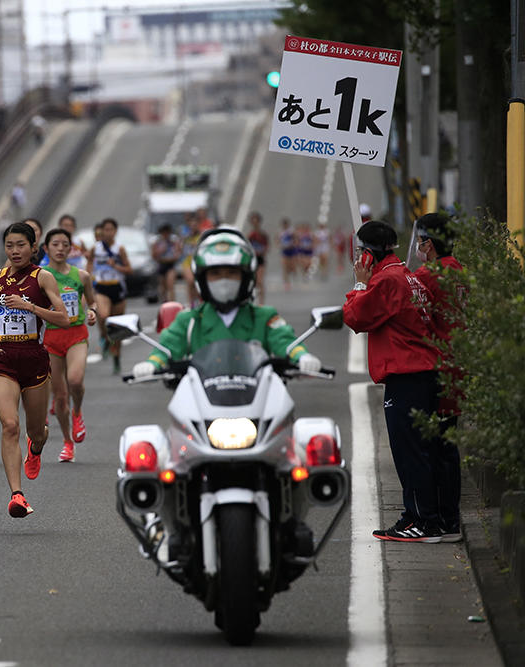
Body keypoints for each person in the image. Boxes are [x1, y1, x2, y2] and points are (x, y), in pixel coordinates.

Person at [342, 221, 456, 543]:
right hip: (427, 371)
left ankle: (421, 520)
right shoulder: (405, 275)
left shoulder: (387, 281)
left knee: (410, 453)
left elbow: (355, 317)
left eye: (361, 252)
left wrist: (360, 284)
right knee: (430, 450)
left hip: (407, 375)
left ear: (367, 254)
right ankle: (438, 520)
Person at [0, 222, 69, 518]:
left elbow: (63, 318)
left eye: (21, 245)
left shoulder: (43, 277)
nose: (15, 251)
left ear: (33, 248)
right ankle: (17, 495)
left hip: (34, 359)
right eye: (9, 245)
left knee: (35, 431)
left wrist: (30, 307)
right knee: (10, 425)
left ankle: (35, 448)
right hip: (3, 359)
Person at [132, 228, 322, 377]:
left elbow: (285, 341)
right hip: (203, 403)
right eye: (215, 274)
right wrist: (152, 363)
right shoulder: (189, 321)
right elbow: (168, 346)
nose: (224, 280)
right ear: (203, 280)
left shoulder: (264, 317)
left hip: (257, 401)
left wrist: (302, 356)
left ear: (246, 277)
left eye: (232, 273)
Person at [411, 212, 465, 541]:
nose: (417, 247)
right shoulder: (462, 272)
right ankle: (452, 519)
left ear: (428, 244)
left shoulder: (427, 276)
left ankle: (434, 519)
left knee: (430, 447)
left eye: (419, 241)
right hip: (460, 368)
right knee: (448, 446)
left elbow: (416, 321)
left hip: (436, 368)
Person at [41, 228, 99, 463]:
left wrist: (93, 312)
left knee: (75, 380)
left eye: (66, 244)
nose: (61, 248)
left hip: (75, 334)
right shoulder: (40, 276)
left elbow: (92, 302)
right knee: (60, 396)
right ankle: (67, 442)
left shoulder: (81, 276)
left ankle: (78, 413)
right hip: (51, 338)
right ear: (46, 249)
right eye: (56, 244)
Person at [89, 217, 131, 374]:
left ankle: (116, 358)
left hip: (117, 287)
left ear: (115, 231)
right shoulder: (96, 248)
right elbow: (89, 264)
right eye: (105, 230)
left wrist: (117, 266)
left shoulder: (120, 249)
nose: (108, 232)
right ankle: (104, 337)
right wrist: (89, 276)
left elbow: (129, 269)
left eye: (111, 229)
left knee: (117, 327)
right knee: (104, 315)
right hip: (102, 287)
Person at [151, 223, 183, 303]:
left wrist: (172, 257)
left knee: (170, 285)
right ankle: (164, 301)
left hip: (170, 265)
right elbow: (154, 255)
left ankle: (172, 302)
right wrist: (160, 251)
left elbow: (178, 253)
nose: (165, 234)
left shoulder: (173, 242)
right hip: (161, 265)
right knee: (163, 286)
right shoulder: (157, 242)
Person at [246, 212, 269, 303]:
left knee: (260, 281)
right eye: (253, 221)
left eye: (257, 221)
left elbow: (267, 246)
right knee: (253, 282)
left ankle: (261, 302)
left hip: (260, 260)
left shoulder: (263, 234)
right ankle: (252, 300)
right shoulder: (250, 235)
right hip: (252, 260)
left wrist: (262, 252)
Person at [278, 218, 297, 290]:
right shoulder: (280, 232)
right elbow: (277, 240)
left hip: (292, 251)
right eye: (283, 224)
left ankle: (293, 274)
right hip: (284, 251)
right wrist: (280, 245)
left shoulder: (291, 231)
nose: (284, 226)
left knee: (292, 267)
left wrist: (292, 244)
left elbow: (295, 239)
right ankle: (286, 283)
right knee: (285, 267)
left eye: (286, 224)